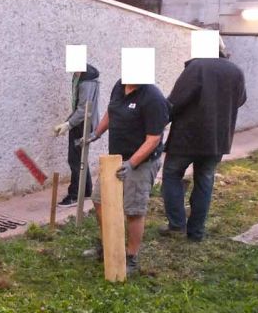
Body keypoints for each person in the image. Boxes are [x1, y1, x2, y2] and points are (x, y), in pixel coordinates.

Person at [159, 40, 247, 242]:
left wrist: (160, 119)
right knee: (205, 181)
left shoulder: (197, 67)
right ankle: (196, 232)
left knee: (172, 175)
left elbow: (176, 101)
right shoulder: (236, 71)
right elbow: (241, 99)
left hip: (187, 138)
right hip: (217, 139)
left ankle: (177, 225)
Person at [82, 79, 170, 275]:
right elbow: (111, 112)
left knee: (134, 210)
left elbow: (154, 139)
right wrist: (95, 134)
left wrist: (132, 164)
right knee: (99, 201)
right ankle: (109, 245)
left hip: (141, 162)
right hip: (115, 159)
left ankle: (131, 257)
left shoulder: (153, 98)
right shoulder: (119, 86)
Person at [53, 64, 100, 207]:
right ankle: (85, 191)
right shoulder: (77, 76)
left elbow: (83, 109)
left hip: (84, 124)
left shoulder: (87, 80)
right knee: (80, 157)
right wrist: (67, 122)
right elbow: (77, 106)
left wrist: (68, 124)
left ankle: (74, 195)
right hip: (79, 122)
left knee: (75, 159)